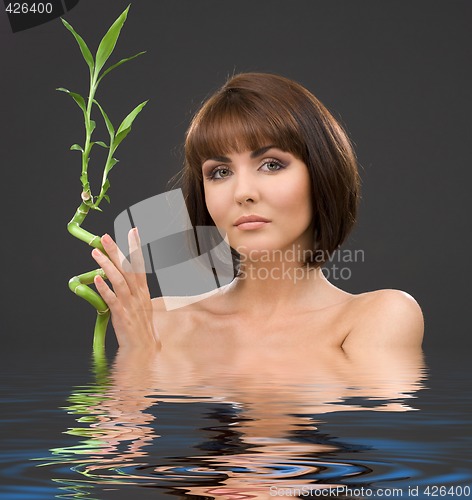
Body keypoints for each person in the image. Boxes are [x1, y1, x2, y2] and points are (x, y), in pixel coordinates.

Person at [91, 72, 424, 353]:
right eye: (220, 172)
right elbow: (126, 428)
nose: (244, 193)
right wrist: (138, 355)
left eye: (271, 164)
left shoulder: (382, 317)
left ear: (321, 172)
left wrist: (154, 364)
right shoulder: (157, 320)